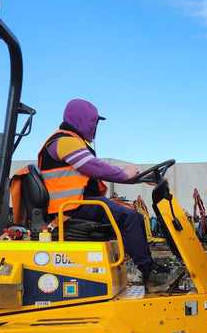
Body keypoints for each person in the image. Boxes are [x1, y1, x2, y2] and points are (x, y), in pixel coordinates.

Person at [38, 98, 182, 292]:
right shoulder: (64, 141)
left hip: (80, 203)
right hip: (72, 206)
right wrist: (125, 174)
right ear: (83, 119)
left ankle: (149, 271)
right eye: (94, 122)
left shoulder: (71, 142)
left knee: (136, 217)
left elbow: (94, 169)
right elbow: (94, 167)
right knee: (129, 218)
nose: (95, 127)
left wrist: (137, 178)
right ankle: (151, 274)